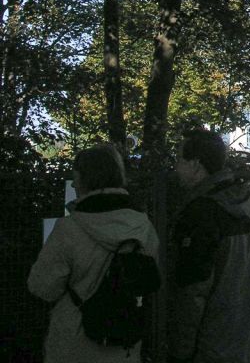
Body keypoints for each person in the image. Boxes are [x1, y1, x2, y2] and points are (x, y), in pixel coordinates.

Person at [28, 143, 160, 363]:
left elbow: (42, 287)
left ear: (81, 178)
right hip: (125, 342)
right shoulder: (143, 226)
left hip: (74, 342)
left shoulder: (69, 229)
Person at [168, 129, 250, 363]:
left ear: (195, 164)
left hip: (213, 345)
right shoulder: (245, 203)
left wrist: (180, 351)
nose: (175, 167)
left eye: (179, 159)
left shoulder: (202, 212)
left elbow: (193, 291)